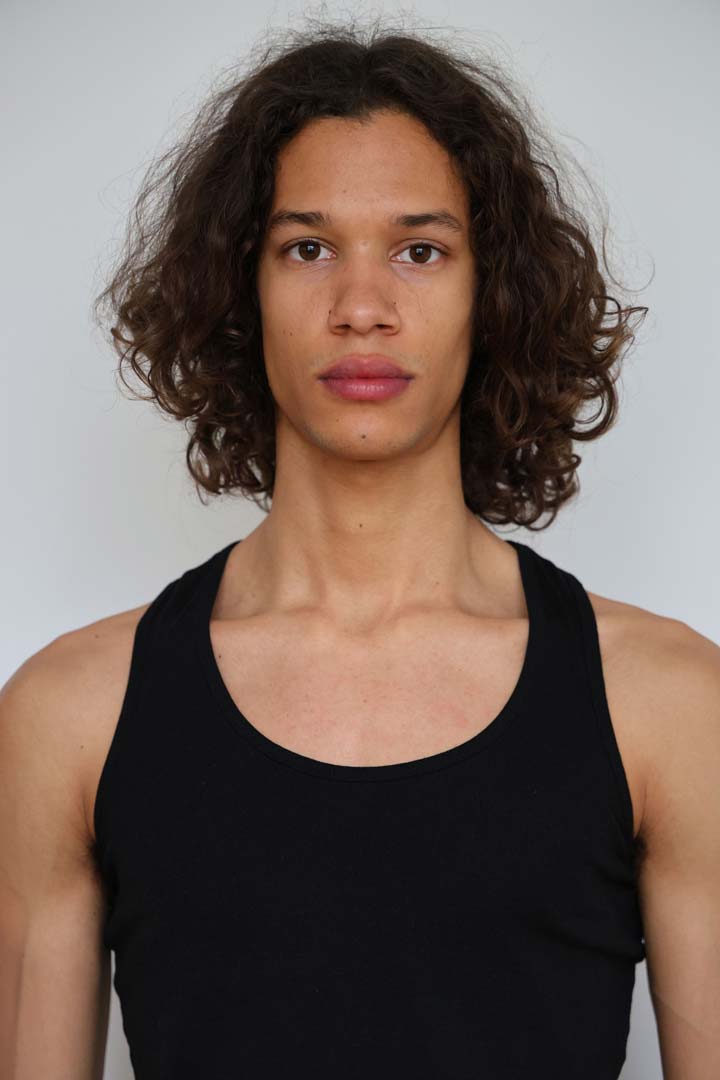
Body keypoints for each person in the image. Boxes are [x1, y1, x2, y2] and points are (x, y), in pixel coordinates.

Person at [1, 16, 718, 1080]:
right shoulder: (71, 713)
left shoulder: (670, 704)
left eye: (420, 251)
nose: (363, 307)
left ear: (492, 294)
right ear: (240, 289)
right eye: (308, 248)